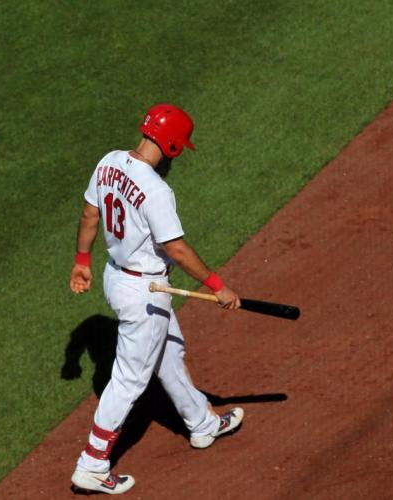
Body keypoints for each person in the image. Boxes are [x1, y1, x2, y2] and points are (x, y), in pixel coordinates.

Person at [68, 103, 244, 495]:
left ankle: (202, 423)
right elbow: (177, 249)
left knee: (168, 351)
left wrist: (82, 260)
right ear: (172, 147)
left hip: (117, 278)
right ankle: (92, 464)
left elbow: (89, 215)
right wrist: (218, 286)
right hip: (145, 292)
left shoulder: (109, 161)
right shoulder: (156, 189)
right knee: (129, 379)